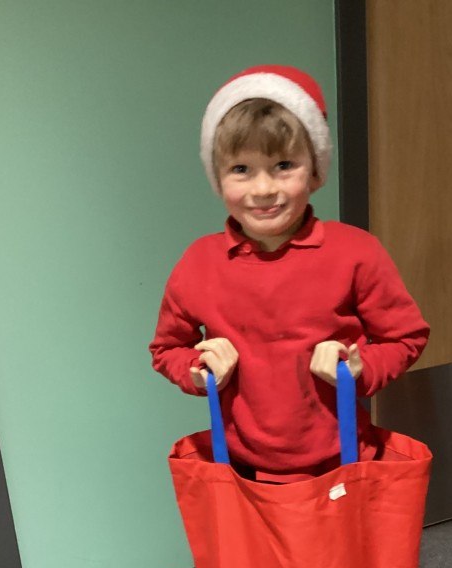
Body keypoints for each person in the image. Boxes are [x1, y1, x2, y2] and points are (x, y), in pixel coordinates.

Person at [150, 65, 429, 483]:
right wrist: (197, 368)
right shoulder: (198, 262)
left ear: (314, 171)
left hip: (343, 466)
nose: (263, 189)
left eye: (283, 165)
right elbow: (167, 348)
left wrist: (360, 368)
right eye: (241, 169)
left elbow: (406, 337)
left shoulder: (357, 253)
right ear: (218, 178)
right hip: (241, 474)